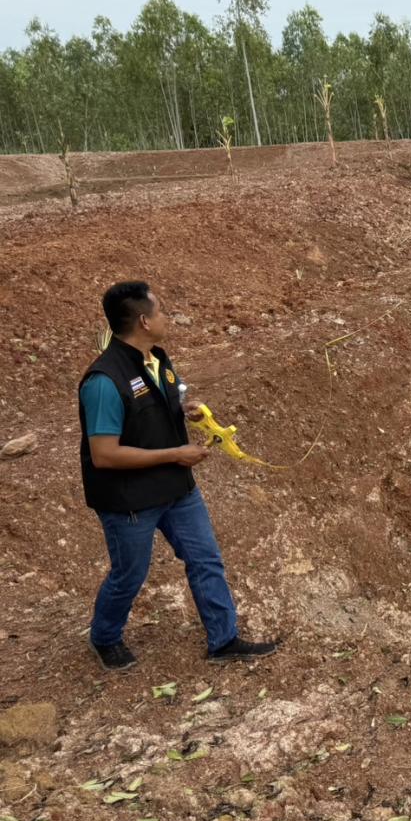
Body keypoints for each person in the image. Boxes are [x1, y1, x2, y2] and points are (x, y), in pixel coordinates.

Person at [79, 281, 278, 670]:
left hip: (176, 489)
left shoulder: (156, 360)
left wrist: (186, 410)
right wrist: (175, 454)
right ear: (143, 321)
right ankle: (105, 637)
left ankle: (223, 640)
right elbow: (104, 455)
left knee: (205, 559)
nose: (166, 317)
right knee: (129, 575)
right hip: (129, 500)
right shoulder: (103, 381)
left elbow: (152, 409)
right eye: (161, 311)